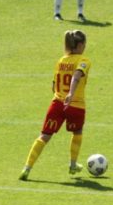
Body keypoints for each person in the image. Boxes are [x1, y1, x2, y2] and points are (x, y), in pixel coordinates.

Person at [19, 30, 91, 181]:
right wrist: (71, 94)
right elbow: (77, 75)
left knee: (44, 135)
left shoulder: (61, 60)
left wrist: (62, 95)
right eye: (84, 44)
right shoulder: (84, 60)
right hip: (75, 105)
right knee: (77, 131)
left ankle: (27, 168)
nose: (85, 47)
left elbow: (54, 85)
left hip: (57, 103)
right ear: (79, 45)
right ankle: (72, 164)